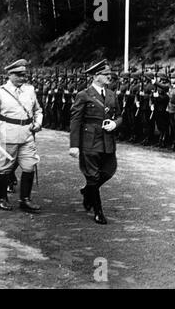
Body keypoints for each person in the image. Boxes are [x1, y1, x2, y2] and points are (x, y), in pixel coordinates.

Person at [69, 59, 122, 225]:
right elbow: (75, 121)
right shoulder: (83, 95)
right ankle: (98, 211)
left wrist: (115, 123)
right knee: (93, 175)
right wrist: (74, 145)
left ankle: (87, 191)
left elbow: (119, 115)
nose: (109, 77)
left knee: (109, 170)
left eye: (109, 74)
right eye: (105, 74)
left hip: (107, 140)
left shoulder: (112, 94)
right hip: (89, 140)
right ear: (95, 76)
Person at [0, 59, 43, 213]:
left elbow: (38, 110)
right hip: (7, 135)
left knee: (29, 166)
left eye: (24, 75)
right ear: (10, 75)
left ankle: (25, 199)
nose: (23, 78)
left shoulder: (30, 90)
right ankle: (3, 199)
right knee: (3, 168)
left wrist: (38, 123)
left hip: (27, 135)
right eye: (19, 75)